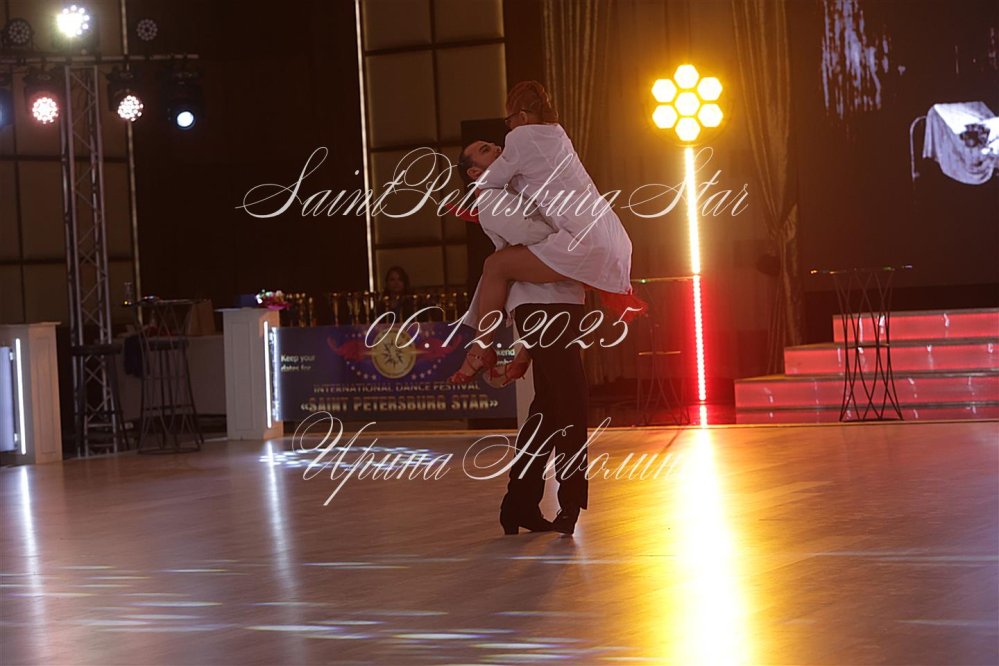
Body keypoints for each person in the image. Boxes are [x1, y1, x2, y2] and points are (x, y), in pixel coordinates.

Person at [449, 80, 639, 389]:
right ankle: (513, 352)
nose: (500, 145)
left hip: (581, 241)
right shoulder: (556, 135)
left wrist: (476, 201)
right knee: (557, 381)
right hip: (603, 233)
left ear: (521, 117)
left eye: (507, 124)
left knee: (496, 265)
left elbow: (497, 190)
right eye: (486, 149)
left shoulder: (520, 140)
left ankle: (481, 350)